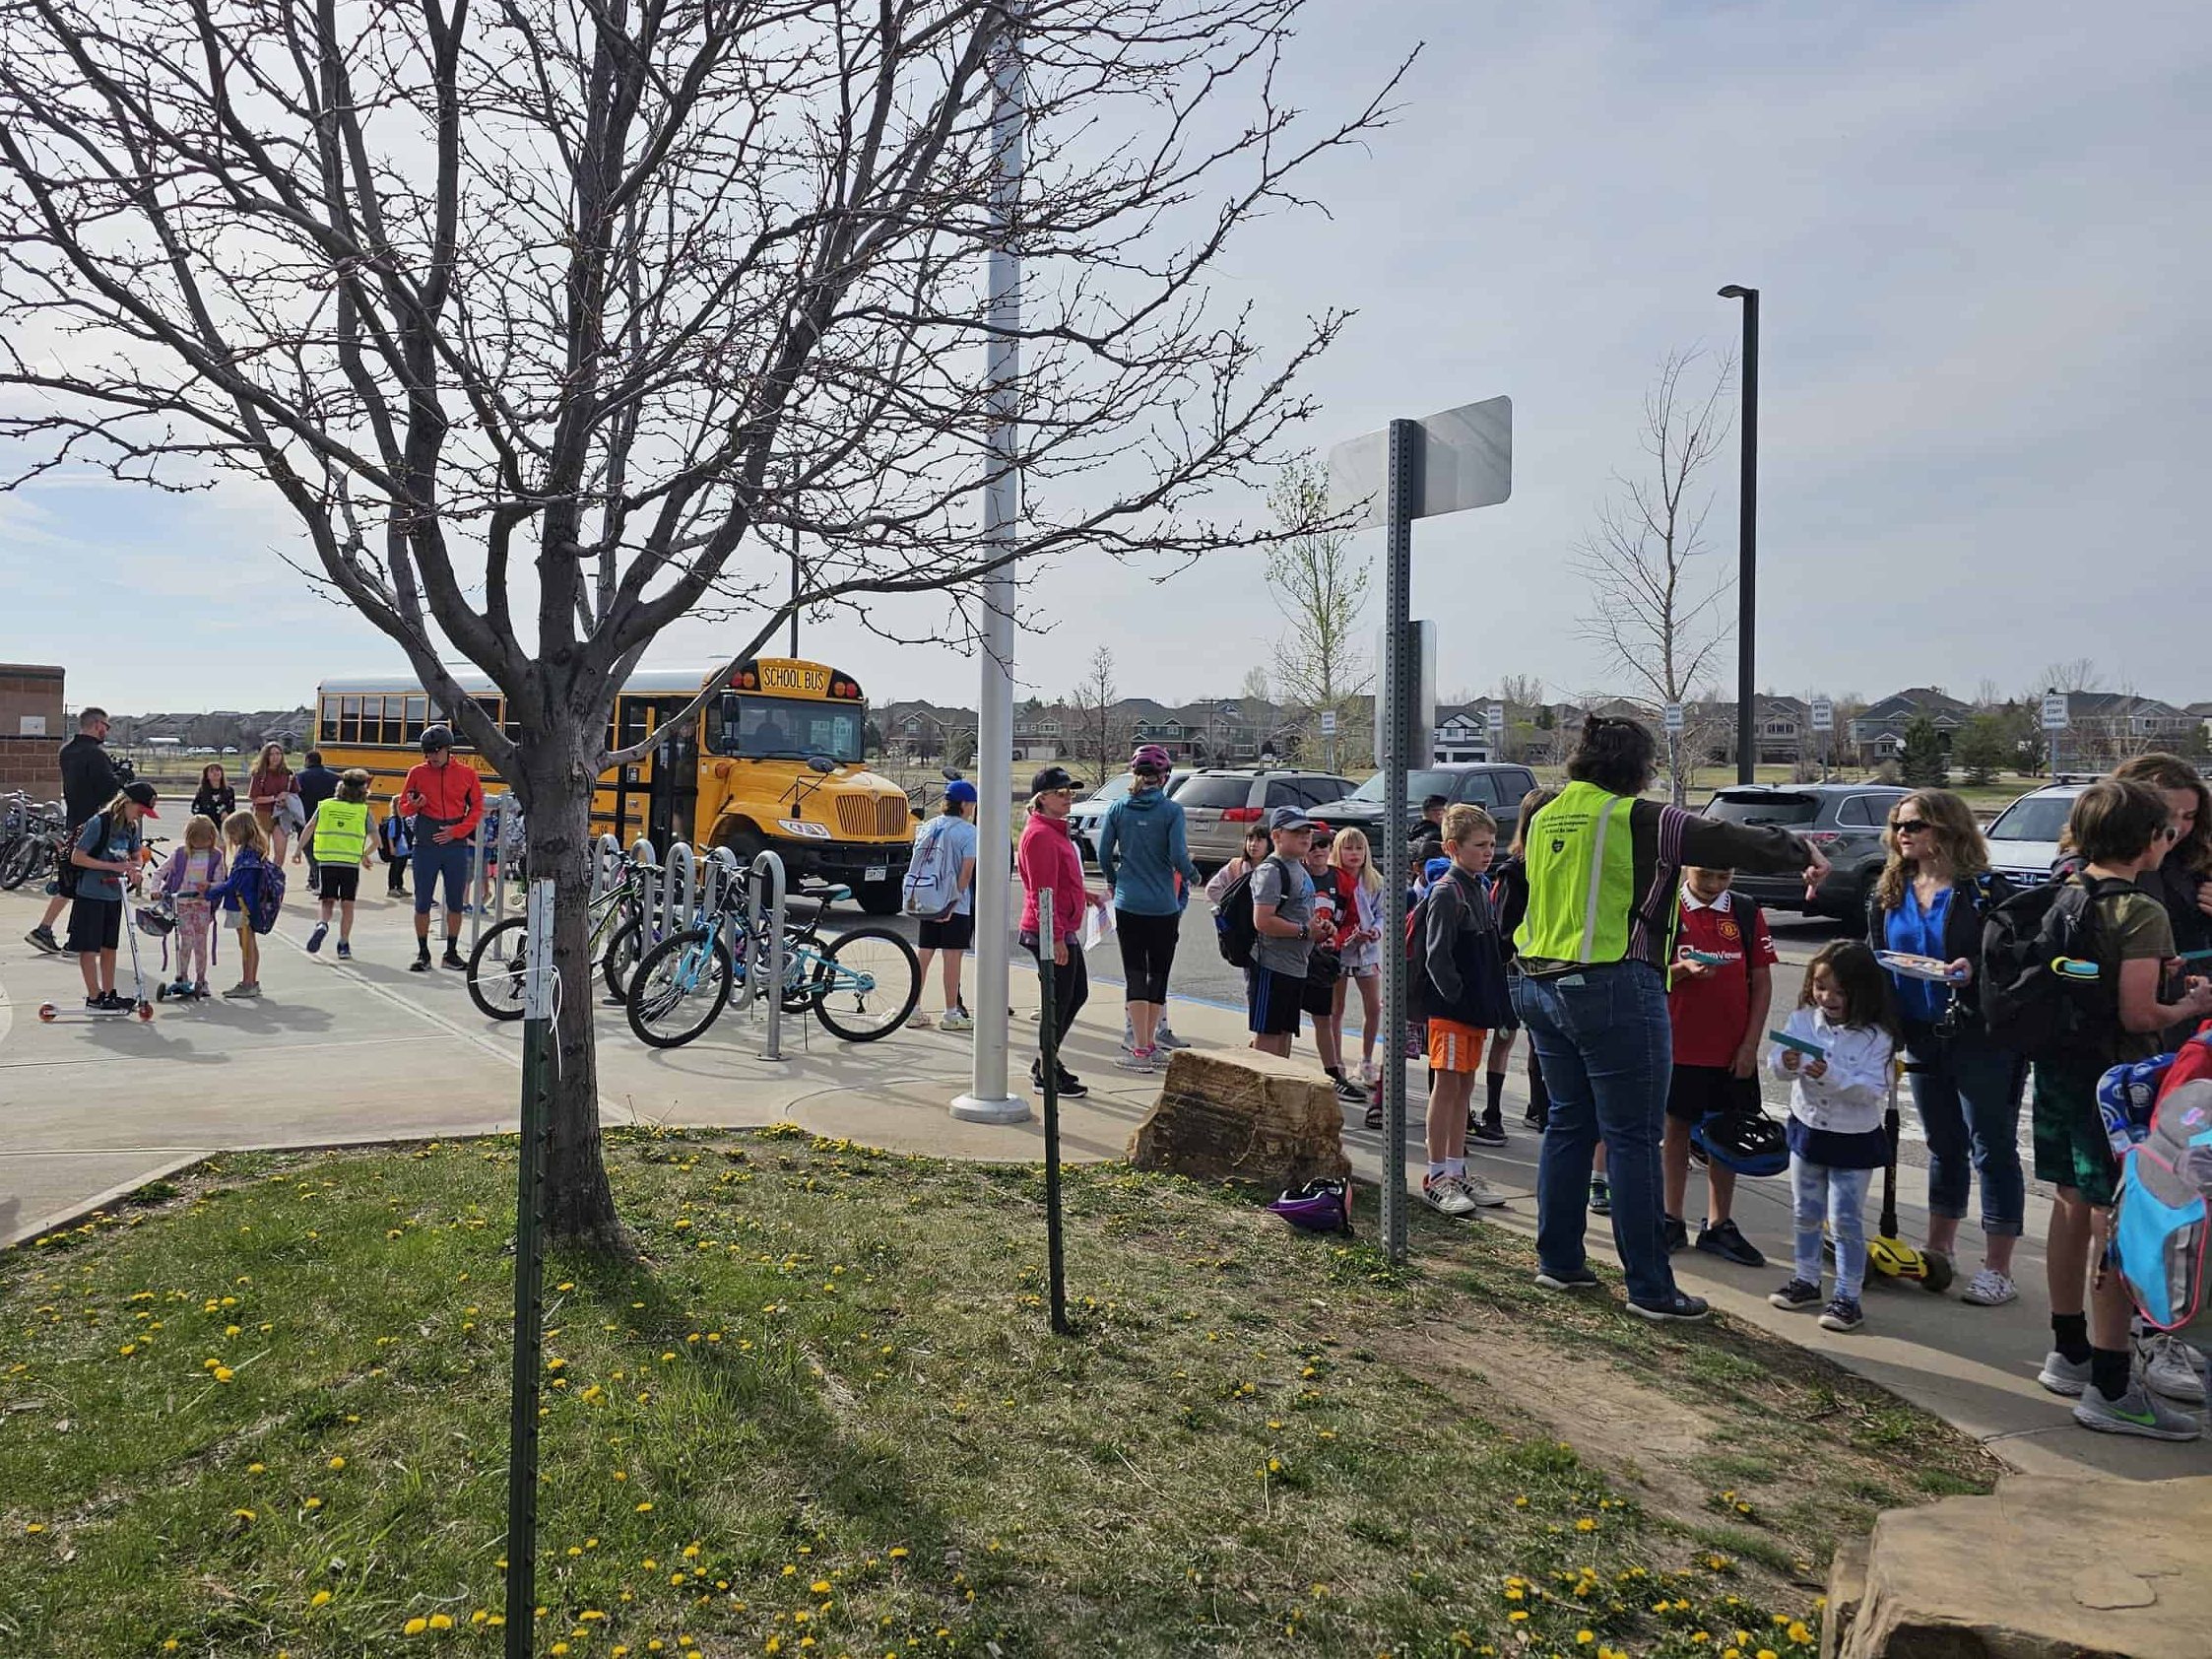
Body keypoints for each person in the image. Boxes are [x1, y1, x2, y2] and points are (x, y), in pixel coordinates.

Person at [1512, 714, 1829, 1324]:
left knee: (1569, 1125)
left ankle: (1559, 1260)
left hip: (1541, 982)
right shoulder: (1636, 816)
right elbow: (1725, 839)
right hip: (1612, 984)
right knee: (1633, 1136)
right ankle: (1650, 1288)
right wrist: (1802, 852)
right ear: (1636, 768)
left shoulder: (1547, 811)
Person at [2031, 780, 2212, 1439]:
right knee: (2119, 1220)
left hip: (2059, 1070)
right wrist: (2190, 1005)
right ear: (2146, 838)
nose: (2173, 841)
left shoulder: (2069, 889)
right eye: (2167, 831)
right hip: (2115, 1086)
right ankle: (2112, 1386)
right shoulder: (2140, 909)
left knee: (2069, 1201)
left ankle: (2068, 1350)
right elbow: (2139, 1013)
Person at [1866, 790, 2025, 1307]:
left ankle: (1998, 1268)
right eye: (1897, 825)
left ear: (1948, 828)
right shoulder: (1890, 890)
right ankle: (1939, 1251)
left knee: (1991, 1145)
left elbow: (2017, 959)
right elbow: (1876, 959)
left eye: (1914, 824)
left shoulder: (1984, 890)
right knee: (1943, 1144)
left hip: (1981, 1035)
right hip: (1919, 1032)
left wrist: (1975, 970)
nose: (1902, 833)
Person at [1765, 943, 1898, 1335]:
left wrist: (1829, 1074)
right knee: (1805, 1211)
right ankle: (1806, 1280)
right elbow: (1779, 1063)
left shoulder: (1877, 1037)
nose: (1828, 998)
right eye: (1821, 987)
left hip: (1853, 1138)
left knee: (1845, 1220)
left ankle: (1847, 1296)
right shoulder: (1804, 1019)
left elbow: (1872, 1089)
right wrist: (1785, 1063)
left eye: (1840, 992)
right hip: (1808, 1129)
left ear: (1863, 992)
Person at [1661, 866, 1777, 1268]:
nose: (1713, 886)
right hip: (1678, 1046)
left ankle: (1718, 1224)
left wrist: (1750, 1045)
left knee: (1725, 1137)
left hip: (1731, 1051)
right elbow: (1645, 974)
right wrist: (1681, 971)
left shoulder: (1744, 911)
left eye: (1723, 878)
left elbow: (1761, 982)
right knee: (1675, 1130)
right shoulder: (1665, 906)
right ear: (1687, 867)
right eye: (1706, 876)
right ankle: (1670, 1217)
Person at [1416, 804, 1511, 1216]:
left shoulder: (1479, 885)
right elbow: (1437, 958)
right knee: (1448, 1087)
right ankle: (1438, 1173)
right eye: (1479, 845)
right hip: (1452, 1010)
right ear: (1453, 847)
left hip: (1475, 1010)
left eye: (1492, 844)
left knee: (1465, 1088)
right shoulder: (1446, 892)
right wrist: (1456, 997)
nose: (1489, 852)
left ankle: (1457, 1166)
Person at [1097, 745, 1202, 1072]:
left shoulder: (1118, 808)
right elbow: (1178, 856)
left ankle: (1139, 1048)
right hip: (1163, 906)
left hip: (1129, 902)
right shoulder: (1172, 811)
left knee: (1134, 975)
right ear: (1164, 777)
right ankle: (1152, 1044)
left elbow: (1103, 853)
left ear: (1135, 775)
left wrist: (1116, 879)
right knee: (1158, 974)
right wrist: (1193, 875)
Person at [2112, 753, 2212, 1040]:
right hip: (2133, 1026)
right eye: (2168, 815)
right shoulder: (2095, 866)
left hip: (2196, 1011)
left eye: (2190, 816)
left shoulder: (2197, 857)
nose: (2178, 828)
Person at [1016, 765, 1100, 1097]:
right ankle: (1045, 1071)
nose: (1068, 799)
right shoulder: (1039, 835)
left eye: (1071, 793)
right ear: (1042, 798)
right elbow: (1042, 891)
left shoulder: (1055, 831)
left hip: (1060, 927)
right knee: (1058, 1002)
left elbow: (1061, 881)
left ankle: (1045, 1062)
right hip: (1046, 930)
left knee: (1074, 995)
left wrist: (1084, 896)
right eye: (1061, 793)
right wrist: (1054, 938)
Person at [25, 705, 125, 955]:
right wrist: (121, 777)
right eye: (106, 726)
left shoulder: (67, 751)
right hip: (93, 825)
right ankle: (54, 932)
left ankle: (58, 933)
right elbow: (107, 792)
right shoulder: (96, 755)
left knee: (74, 880)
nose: (107, 730)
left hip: (74, 822)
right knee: (82, 883)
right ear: (96, 724)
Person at [1490, 786, 1558, 1133]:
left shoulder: (1559, 865)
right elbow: (1505, 930)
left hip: (1556, 967)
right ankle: (1539, 1107)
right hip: (1524, 970)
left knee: (1547, 1043)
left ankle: (1541, 1104)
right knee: (1537, 1042)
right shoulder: (1515, 871)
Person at [396, 725, 485, 971]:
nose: (431, 757)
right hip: (426, 841)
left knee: (456, 901)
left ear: (448, 749)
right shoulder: (417, 773)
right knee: (422, 901)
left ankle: (451, 952)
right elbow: (403, 808)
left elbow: (477, 807)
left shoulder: (467, 774)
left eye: (436, 751)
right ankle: (423, 953)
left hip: (455, 842)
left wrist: (458, 831)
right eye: (427, 752)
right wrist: (415, 805)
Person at [66, 781, 158, 1014]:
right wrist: (111, 866)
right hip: (91, 893)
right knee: (89, 947)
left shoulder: (131, 828)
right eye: (140, 810)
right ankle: (94, 996)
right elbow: (78, 857)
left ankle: (109, 992)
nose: (140, 816)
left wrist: (135, 869)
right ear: (128, 802)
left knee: (110, 946)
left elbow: (136, 855)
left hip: (114, 895)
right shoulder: (100, 823)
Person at [1246, 806, 1331, 1058]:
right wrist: (1305, 931)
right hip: (1271, 965)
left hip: (1295, 966)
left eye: (1307, 831)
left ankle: (1279, 1091)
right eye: (1296, 832)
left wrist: (1321, 928)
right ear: (1277, 836)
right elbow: (1262, 920)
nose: (1306, 837)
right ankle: (1264, 1095)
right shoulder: (1271, 871)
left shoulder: (1299, 868)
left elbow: (1300, 912)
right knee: (1268, 1037)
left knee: (1284, 1033)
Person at [910, 779, 980, 1030]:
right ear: (963, 804)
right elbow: (966, 872)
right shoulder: (968, 832)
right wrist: (953, 901)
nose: (973, 808)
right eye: (972, 803)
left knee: (925, 952)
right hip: (954, 903)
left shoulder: (928, 826)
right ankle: (951, 1012)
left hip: (927, 896)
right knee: (952, 957)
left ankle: (913, 1008)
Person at [1328, 828, 1386, 1091]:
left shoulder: (1374, 880)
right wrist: (1349, 935)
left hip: (1367, 952)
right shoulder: (1332, 880)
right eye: (1348, 848)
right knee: (1335, 1009)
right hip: (1340, 950)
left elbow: (1382, 913)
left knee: (1373, 1007)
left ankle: (1365, 1060)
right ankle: (1336, 1062)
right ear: (1338, 851)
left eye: (1359, 849)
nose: (1354, 854)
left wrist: (1375, 930)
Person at [295, 767, 375, 960]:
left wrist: (298, 850)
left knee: (327, 901)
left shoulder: (326, 806)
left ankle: (322, 924)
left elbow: (309, 827)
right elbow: (377, 840)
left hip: (327, 862)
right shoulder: (363, 811)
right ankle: (343, 943)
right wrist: (365, 854)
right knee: (348, 905)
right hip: (350, 863)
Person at [1299, 827, 1355, 1095]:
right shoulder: (1295, 875)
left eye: (1324, 844)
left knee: (1324, 1016)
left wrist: (1339, 939)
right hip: (1295, 955)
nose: (1318, 850)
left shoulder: (1342, 880)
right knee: (1282, 1019)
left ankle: (1333, 1073)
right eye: (1312, 845)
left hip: (1325, 960)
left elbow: (1354, 919)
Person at [206, 810, 274, 1000]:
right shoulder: (253, 852)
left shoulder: (247, 856)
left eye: (233, 834)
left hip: (242, 906)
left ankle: (248, 983)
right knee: (248, 943)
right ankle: (250, 980)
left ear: (242, 831)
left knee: (246, 944)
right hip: (247, 904)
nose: (231, 838)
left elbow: (234, 884)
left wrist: (210, 890)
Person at [158, 814, 226, 999]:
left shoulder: (216, 856)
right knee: (185, 940)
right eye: (196, 842)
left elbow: (220, 881)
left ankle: (201, 979)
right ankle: (183, 976)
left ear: (212, 838)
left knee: (201, 944)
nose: (200, 845)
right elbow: (160, 871)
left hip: (203, 905)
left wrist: (210, 886)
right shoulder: (180, 853)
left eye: (205, 842)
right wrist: (155, 889)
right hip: (182, 904)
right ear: (189, 839)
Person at [294, 749, 341, 887]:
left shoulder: (300, 777)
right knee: (323, 850)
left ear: (307, 761)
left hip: (306, 818)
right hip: (329, 819)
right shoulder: (335, 778)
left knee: (309, 850)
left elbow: (295, 797)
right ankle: (314, 877)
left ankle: (316, 878)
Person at [247, 743, 298, 866]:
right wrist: (274, 798)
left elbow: (295, 794)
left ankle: (275, 879)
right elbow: (254, 798)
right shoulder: (259, 774)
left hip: (282, 815)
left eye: (278, 754)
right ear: (266, 756)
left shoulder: (288, 774)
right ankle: (261, 879)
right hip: (263, 814)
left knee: (280, 852)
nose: (275, 757)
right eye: (271, 754)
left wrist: (287, 799)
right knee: (262, 851)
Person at [1205, 824, 1272, 905]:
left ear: (1269, 844)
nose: (1253, 844)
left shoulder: (1273, 869)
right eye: (1250, 839)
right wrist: (1231, 905)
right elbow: (1212, 889)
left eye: (1259, 840)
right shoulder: (1235, 866)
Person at [378, 798, 413, 896]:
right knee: (395, 869)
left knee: (401, 869)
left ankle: (400, 886)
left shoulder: (404, 819)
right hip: (397, 849)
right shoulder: (394, 820)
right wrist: (392, 847)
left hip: (404, 850)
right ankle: (392, 888)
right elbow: (390, 835)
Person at [191, 762, 236, 831]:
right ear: (207, 776)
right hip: (207, 828)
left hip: (224, 827)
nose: (215, 772)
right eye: (212, 771)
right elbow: (195, 809)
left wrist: (227, 813)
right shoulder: (202, 791)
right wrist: (203, 820)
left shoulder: (229, 791)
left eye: (218, 770)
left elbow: (232, 808)